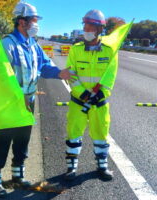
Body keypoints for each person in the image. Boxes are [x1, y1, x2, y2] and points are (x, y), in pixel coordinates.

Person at [0, 2, 73, 197]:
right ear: (22, 22)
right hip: (10, 102)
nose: (36, 24)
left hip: (29, 100)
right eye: (34, 20)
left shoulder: (33, 45)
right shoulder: (7, 44)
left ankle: (17, 176)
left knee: (23, 139)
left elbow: (44, 65)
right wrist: (18, 96)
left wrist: (60, 73)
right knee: (3, 140)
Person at [64, 10, 118, 181]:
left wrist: (101, 93)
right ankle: (71, 167)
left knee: (101, 133)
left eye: (90, 26)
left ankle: (102, 166)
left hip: (99, 103)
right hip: (79, 101)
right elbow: (70, 74)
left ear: (99, 29)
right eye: (85, 25)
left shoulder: (109, 52)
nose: (86, 29)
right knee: (74, 132)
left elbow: (111, 75)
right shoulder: (76, 50)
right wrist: (83, 94)